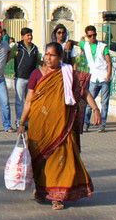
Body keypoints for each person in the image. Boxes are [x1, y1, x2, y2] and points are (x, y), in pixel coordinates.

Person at [18, 42, 99, 209]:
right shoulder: (36, 74)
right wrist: (21, 122)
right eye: (46, 54)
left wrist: (95, 108)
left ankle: (58, 196)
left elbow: (84, 91)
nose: (48, 58)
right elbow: (28, 101)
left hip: (62, 126)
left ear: (60, 57)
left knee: (60, 160)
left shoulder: (68, 73)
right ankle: (41, 191)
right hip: (39, 127)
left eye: (52, 55)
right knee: (40, 160)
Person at [79, 25, 112, 133]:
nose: (92, 37)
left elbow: (109, 62)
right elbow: (75, 43)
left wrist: (108, 75)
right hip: (93, 78)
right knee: (89, 102)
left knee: (104, 102)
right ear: (87, 36)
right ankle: (86, 123)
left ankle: (102, 124)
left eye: (94, 35)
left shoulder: (102, 46)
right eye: (90, 36)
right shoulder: (86, 45)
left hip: (103, 78)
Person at [12, 28, 39, 129]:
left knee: (30, 100)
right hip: (20, 77)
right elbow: (9, 57)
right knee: (19, 100)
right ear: (22, 36)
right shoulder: (18, 47)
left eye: (30, 35)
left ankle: (28, 120)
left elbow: (37, 61)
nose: (30, 37)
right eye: (27, 35)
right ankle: (19, 121)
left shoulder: (35, 48)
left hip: (31, 78)